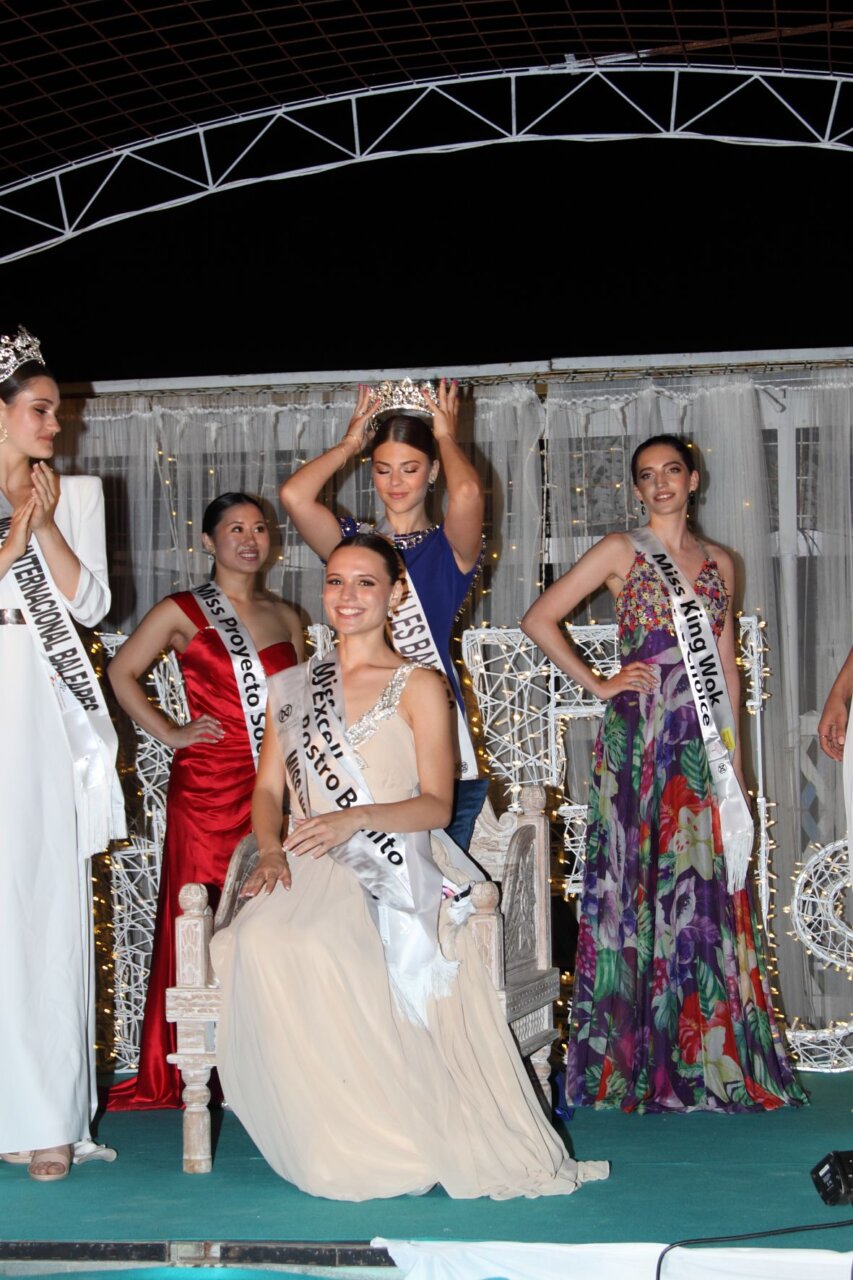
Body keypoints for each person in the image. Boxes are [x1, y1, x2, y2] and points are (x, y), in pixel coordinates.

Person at [210, 533, 609, 1199]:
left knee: (321, 943)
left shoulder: (419, 685)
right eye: (336, 581)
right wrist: (271, 849)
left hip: (396, 858)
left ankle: (393, 1135)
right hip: (309, 860)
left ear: (395, 593)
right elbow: (267, 790)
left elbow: (434, 805)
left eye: (365, 582)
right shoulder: (292, 687)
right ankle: (328, 1131)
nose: (348, 596)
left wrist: (354, 818)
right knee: (252, 939)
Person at [521, 434, 805, 1113]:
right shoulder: (621, 550)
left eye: (671, 471)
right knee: (637, 884)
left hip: (700, 747)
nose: (660, 484)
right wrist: (599, 683)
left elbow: (725, 667)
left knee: (701, 890)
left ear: (692, 478)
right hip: (641, 743)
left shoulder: (720, 563)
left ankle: (707, 1057)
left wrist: (734, 766)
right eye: (647, 475)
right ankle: (633, 1061)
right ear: (638, 488)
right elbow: (538, 618)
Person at [107, 492, 303, 1110]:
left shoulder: (287, 615)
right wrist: (169, 732)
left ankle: (262, 1061)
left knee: (267, 916)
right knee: (200, 916)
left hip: (271, 784)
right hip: (207, 788)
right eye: (235, 529)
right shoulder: (182, 609)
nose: (249, 539)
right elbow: (120, 672)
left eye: (259, 528)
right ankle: (192, 1064)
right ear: (209, 541)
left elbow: (298, 708)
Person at [0, 325, 125, 1181]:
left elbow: (93, 605)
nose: (56, 425)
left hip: (42, 706)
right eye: (41, 410)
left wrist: (44, 529)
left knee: (44, 901)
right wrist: (9, 543)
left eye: (57, 411)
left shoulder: (73, 492)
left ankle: (47, 1116)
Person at [279, 378, 487, 850]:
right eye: (382, 469)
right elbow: (294, 496)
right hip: (356, 729)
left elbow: (468, 493)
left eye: (410, 469)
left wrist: (446, 435)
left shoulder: (448, 548)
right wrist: (350, 443)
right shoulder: (354, 545)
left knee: (435, 881)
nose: (395, 483)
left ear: (433, 472)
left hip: (430, 730)